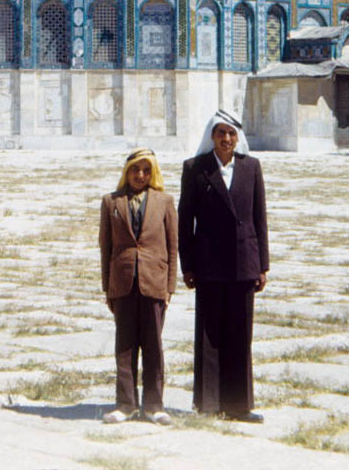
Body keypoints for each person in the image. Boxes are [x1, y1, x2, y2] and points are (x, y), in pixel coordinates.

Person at [178, 110, 268, 422]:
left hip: (244, 262)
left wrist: (263, 265)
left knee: (241, 334)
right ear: (212, 137)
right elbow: (184, 221)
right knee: (209, 333)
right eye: (221, 134)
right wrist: (187, 265)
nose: (226, 139)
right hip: (209, 263)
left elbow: (260, 219)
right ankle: (209, 403)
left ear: (237, 137)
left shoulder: (251, 167)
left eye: (231, 134)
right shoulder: (195, 168)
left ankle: (240, 404)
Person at [98, 148, 178, 425]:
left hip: (153, 282)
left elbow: (172, 246)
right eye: (135, 169)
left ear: (153, 172)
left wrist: (170, 287)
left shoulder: (164, 201)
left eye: (146, 170)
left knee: (153, 345)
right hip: (123, 283)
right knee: (125, 345)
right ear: (126, 171)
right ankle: (126, 403)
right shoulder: (111, 202)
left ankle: (154, 405)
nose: (140, 175)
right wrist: (108, 287)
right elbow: (105, 247)